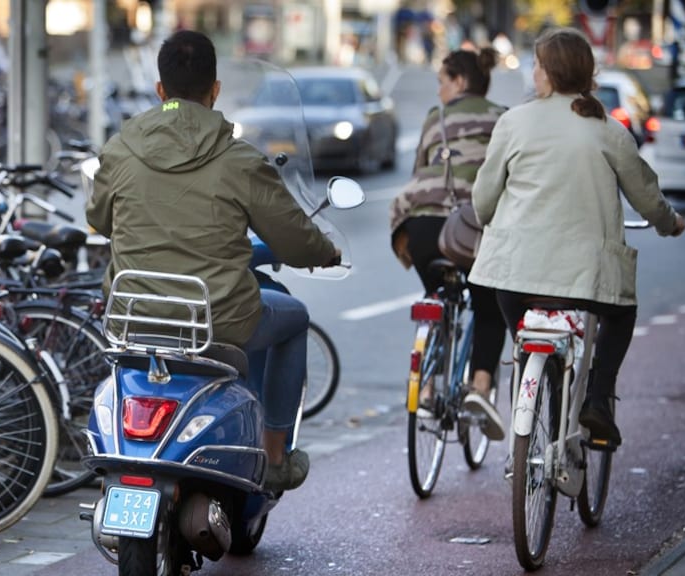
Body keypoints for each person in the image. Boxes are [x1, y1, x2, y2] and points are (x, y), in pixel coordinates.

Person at [87, 30, 340, 492]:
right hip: (216, 322)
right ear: (215, 89)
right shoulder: (239, 159)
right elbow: (295, 240)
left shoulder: (120, 149)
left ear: (160, 89)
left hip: (133, 318)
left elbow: (99, 219)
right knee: (295, 317)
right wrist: (326, 252)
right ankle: (276, 456)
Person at [469, 27, 685, 450]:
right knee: (621, 314)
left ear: (550, 73)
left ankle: (530, 378)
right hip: (587, 277)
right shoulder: (608, 129)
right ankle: (598, 400)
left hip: (514, 274)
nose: (533, 72)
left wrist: (488, 217)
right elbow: (647, 197)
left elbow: (483, 199)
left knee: (518, 327)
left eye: (537, 65)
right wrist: (670, 223)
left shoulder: (513, 122)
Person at [389, 47, 509, 440]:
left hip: (424, 227)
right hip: (472, 229)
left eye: (442, 81)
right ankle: (480, 388)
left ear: (459, 81)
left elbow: (418, 171)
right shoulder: (503, 118)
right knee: (489, 305)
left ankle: (425, 388)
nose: (438, 90)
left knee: (436, 297)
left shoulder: (434, 118)